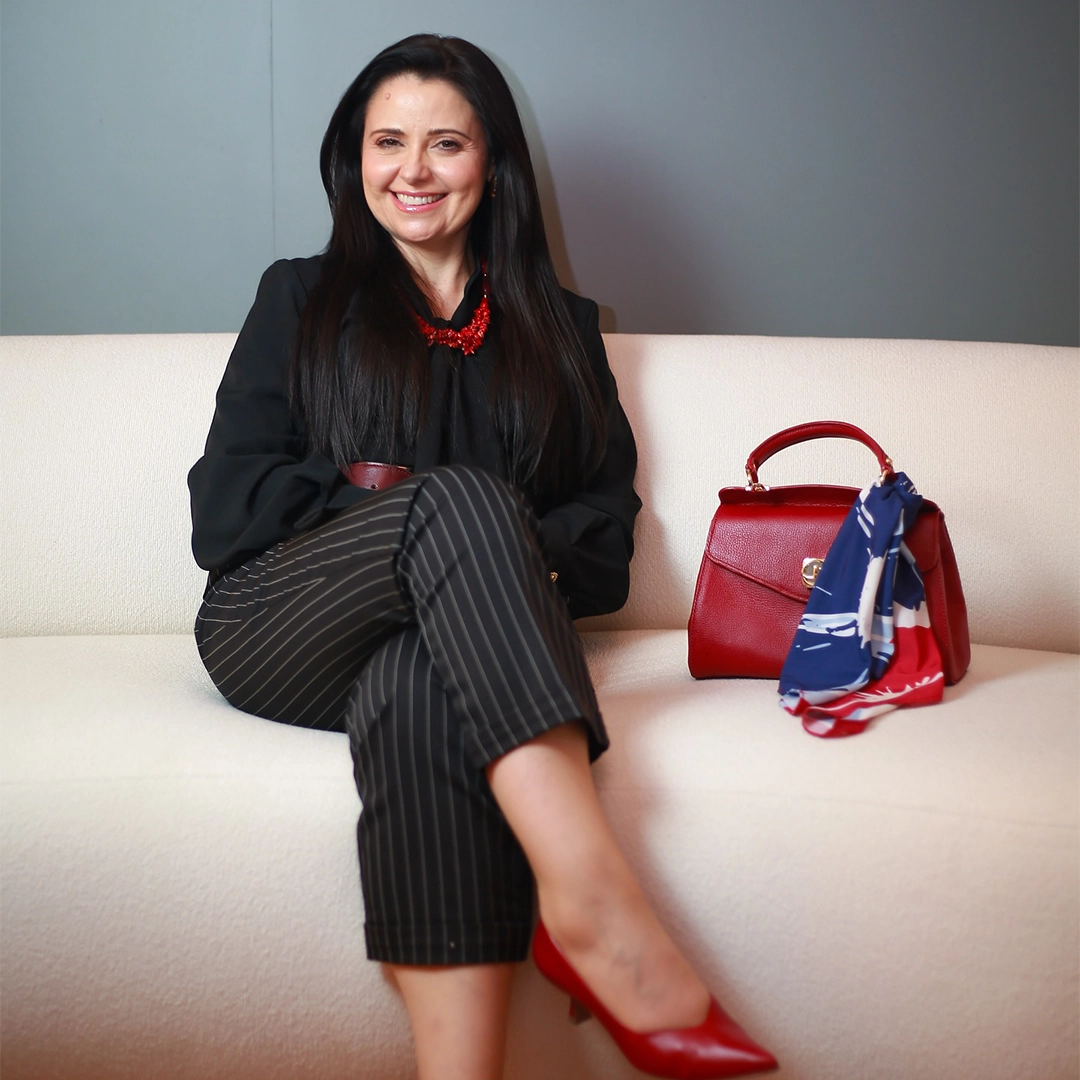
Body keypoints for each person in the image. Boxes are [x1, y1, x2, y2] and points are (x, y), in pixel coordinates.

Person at [188, 33, 777, 1080]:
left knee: (421, 685)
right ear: (356, 159)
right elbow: (226, 507)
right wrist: (436, 524)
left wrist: (473, 563)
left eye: (445, 143)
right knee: (462, 502)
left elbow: (602, 545)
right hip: (280, 625)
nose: (412, 170)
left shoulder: (564, 332)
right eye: (388, 142)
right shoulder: (298, 298)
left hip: (451, 652)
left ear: (493, 163)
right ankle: (595, 908)